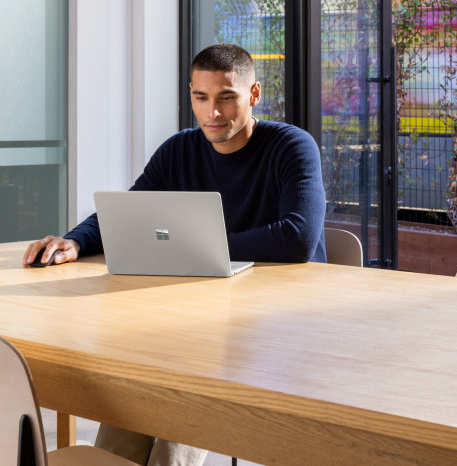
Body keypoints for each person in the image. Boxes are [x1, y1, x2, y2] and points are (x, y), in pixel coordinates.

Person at [22, 42, 326, 466]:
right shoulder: (180, 149)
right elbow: (130, 212)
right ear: (190, 95)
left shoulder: (291, 146)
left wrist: (188, 243)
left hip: (277, 323)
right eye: (201, 98)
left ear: (254, 95)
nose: (212, 113)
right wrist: (75, 240)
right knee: (134, 403)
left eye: (226, 98)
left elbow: (298, 239)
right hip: (195, 315)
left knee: (172, 426)